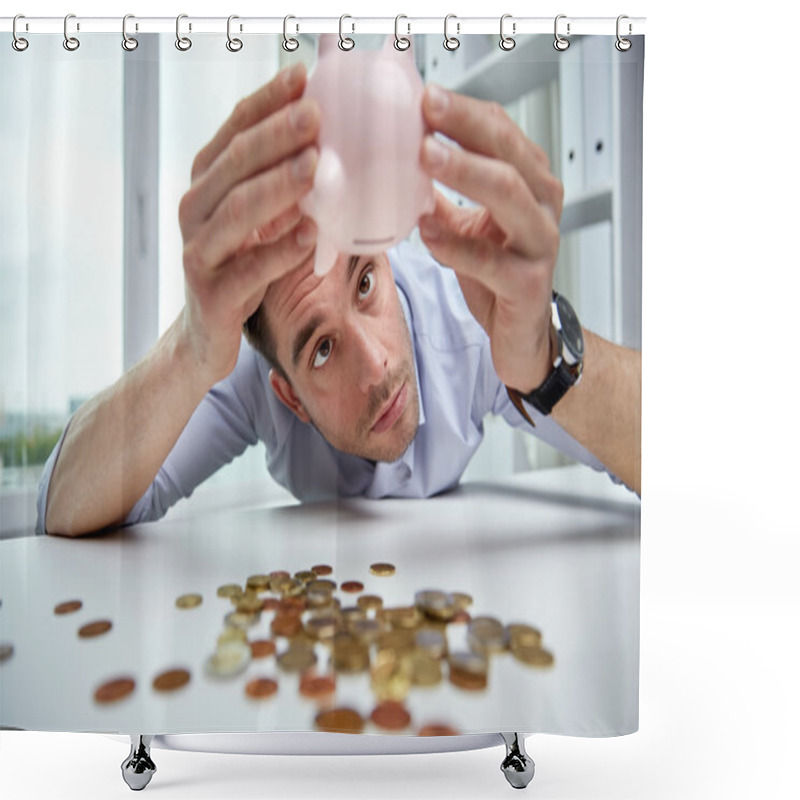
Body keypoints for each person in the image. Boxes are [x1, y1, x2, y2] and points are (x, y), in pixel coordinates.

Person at [36, 61, 641, 538]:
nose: (377, 365)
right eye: (322, 349)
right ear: (288, 396)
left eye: (365, 283)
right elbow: (63, 509)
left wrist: (542, 358)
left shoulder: (467, 312)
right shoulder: (245, 371)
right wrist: (188, 352)